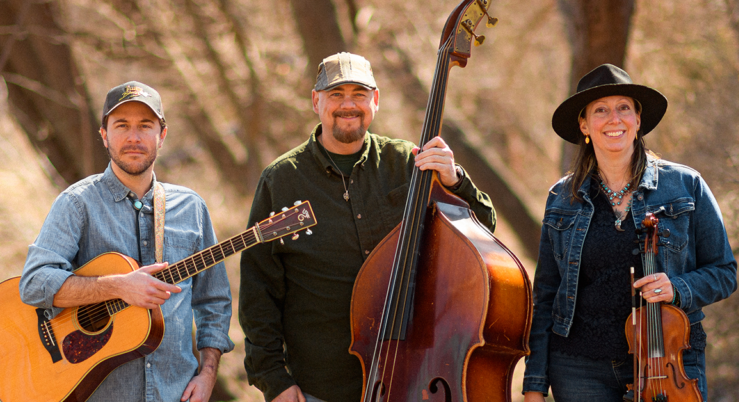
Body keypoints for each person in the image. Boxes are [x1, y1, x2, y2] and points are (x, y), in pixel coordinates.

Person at [238, 52, 496, 402]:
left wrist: (456, 180)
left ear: (375, 100)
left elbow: (482, 232)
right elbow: (258, 291)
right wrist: (274, 380)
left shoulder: (410, 163)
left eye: (358, 94)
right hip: (322, 387)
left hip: (418, 377)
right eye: (336, 94)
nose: (348, 105)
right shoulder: (281, 180)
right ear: (316, 101)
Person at [521, 64, 737, 401]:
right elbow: (546, 295)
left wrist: (677, 288)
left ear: (637, 119)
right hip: (578, 370)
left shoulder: (686, 185)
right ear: (584, 125)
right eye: (601, 110)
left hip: (667, 361)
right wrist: (534, 384)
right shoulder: (562, 197)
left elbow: (724, 272)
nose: (614, 119)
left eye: (624, 107)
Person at [19, 81, 234, 402]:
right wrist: (118, 286)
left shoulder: (191, 208)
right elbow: (34, 284)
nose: (134, 137)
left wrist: (207, 375)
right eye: (122, 126)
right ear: (104, 135)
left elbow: (213, 301)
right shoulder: (76, 204)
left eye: (145, 126)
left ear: (162, 135)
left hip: (175, 393)